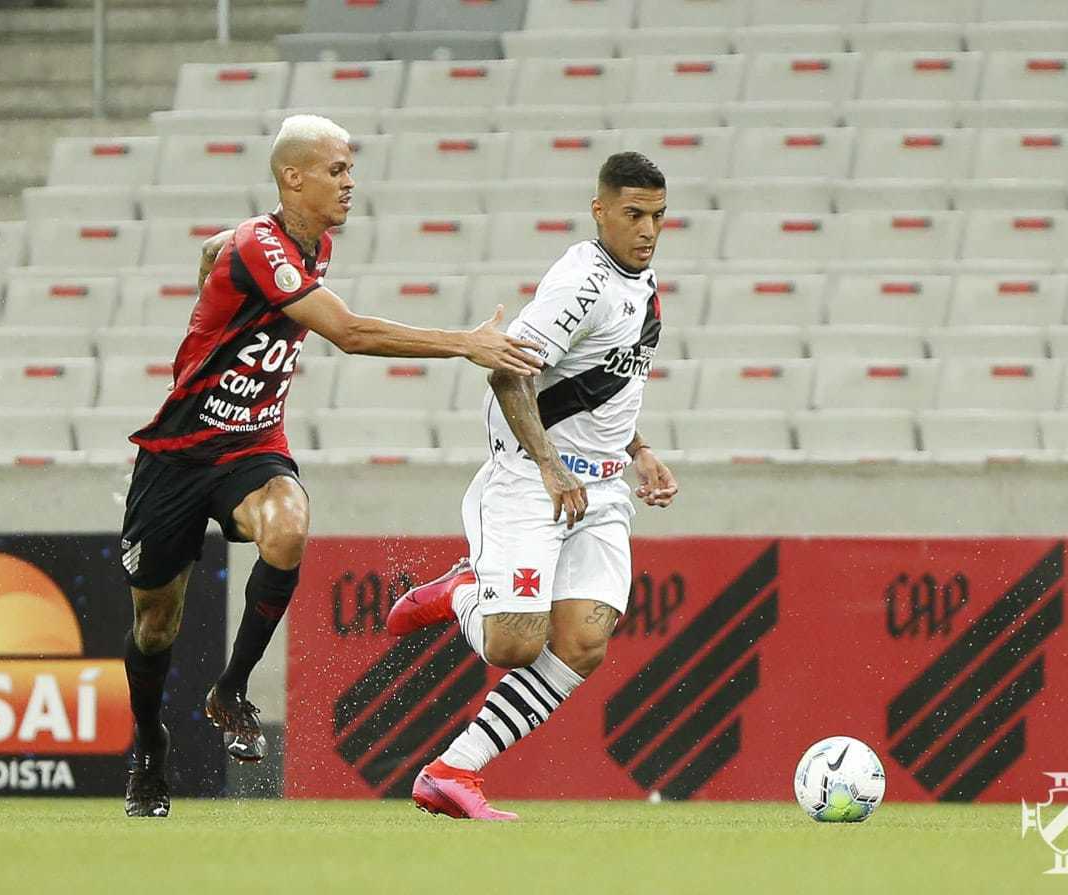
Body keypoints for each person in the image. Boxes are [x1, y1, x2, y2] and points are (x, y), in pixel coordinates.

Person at [119, 114, 542, 817]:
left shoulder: (308, 244)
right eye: (337, 170)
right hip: (178, 455)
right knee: (155, 626)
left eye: (351, 169)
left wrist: (210, 286)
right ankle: (148, 746)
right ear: (294, 177)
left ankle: (231, 690)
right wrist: (464, 343)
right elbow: (347, 332)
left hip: (252, 445)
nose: (350, 182)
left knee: (288, 526)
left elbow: (212, 249)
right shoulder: (263, 245)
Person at [386, 152, 680, 820]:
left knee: (584, 643)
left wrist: (639, 450)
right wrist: (549, 465)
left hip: (602, 488)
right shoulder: (581, 284)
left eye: (658, 216)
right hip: (532, 478)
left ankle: (452, 769)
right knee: (513, 645)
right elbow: (507, 373)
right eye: (634, 214)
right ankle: (463, 590)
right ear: (600, 210)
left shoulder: (642, 281)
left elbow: (602, 383)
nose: (647, 229)